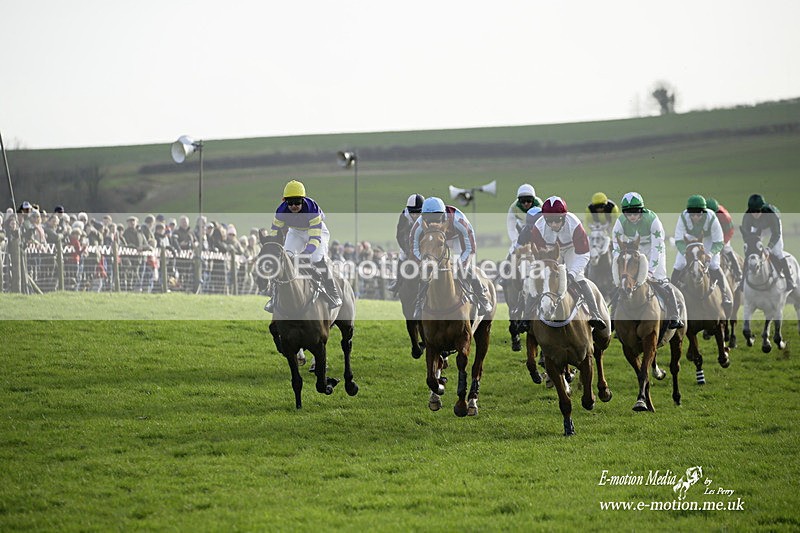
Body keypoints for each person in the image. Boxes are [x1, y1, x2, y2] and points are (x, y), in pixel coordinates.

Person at [526, 196, 606, 329]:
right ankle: (526, 318)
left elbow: (584, 254)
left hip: (572, 250)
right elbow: (539, 255)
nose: (553, 225)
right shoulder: (538, 228)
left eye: (557, 221)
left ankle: (595, 314)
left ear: (564, 217)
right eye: (549, 221)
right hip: (550, 252)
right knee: (540, 278)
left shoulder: (574, 224)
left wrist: (572, 274)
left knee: (579, 277)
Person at [264, 179, 342, 311]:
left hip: (317, 231)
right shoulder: (280, 212)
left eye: (298, 202)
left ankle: (333, 293)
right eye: (290, 202)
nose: (294, 206)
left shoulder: (312, 209)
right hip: (295, 231)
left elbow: (315, 238)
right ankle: (274, 297)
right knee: (285, 258)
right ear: (284, 201)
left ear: (303, 200)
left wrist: (305, 253)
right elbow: (274, 234)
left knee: (316, 258)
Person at [410, 197, 493, 318]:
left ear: (443, 215)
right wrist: (424, 263)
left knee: (464, 268)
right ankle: (419, 303)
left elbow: (470, 249)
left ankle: (482, 298)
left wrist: (459, 266)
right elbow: (414, 248)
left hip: (457, 239)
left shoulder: (458, 220)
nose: (433, 222)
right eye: (429, 218)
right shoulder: (419, 225)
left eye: (436, 218)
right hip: (433, 240)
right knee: (425, 271)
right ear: (424, 216)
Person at [611, 192, 684, 329]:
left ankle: (675, 314)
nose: (632, 217)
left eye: (635, 213)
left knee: (659, 280)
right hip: (633, 250)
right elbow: (616, 246)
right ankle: (613, 315)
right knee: (622, 282)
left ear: (641, 210)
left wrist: (650, 271)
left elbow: (657, 247)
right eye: (629, 214)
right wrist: (620, 265)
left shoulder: (652, 220)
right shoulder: (620, 222)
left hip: (653, 249)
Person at [671, 195, 732, 308]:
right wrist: (685, 253)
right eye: (692, 214)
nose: (695, 217)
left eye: (698, 214)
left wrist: (711, 253)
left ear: (703, 212)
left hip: (708, 239)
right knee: (680, 264)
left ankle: (724, 295)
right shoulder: (683, 217)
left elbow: (718, 241)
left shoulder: (711, 217)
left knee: (714, 264)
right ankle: (671, 296)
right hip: (689, 239)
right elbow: (679, 240)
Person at [740, 193, 794, 292]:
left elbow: (776, 234)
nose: (755, 214)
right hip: (758, 228)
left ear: (762, 208)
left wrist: (769, 247)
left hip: (772, 228)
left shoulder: (771, 214)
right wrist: (753, 247)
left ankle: (789, 280)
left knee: (777, 252)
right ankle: (743, 280)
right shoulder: (747, 217)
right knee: (751, 253)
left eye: (757, 211)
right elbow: (747, 237)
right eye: (752, 211)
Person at [388, 193, 424, 293]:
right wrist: (408, 252)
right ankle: (398, 282)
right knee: (402, 256)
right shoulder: (404, 216)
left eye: (418, 213)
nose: (416, 215)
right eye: (413, 212)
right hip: (407, 243)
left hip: (424, 242)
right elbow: (399, 235)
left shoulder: (427, 216)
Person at [705, 197, 742, 283]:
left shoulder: (724, 215)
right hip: (710, 234)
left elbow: (729, 231)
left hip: (724, 233)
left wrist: (723, 242)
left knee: (727, 248)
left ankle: (738, 271)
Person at [506, 184, 541, 255]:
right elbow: (511, 228)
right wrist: (515, 240)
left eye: (529, 200)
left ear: (533, 199)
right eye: (522, 200)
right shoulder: (513, 208)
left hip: (537, 230)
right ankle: (508, 263)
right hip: (521, 229)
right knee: (512, 251)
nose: (526, 203)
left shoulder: (540, 205)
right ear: (518, 200)